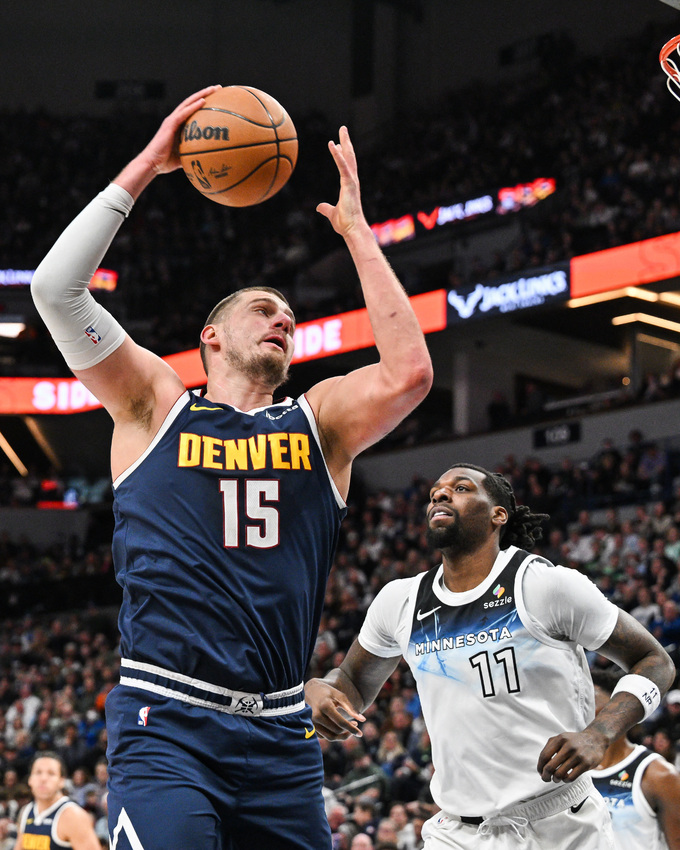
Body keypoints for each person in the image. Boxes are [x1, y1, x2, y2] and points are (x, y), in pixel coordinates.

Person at [30, 87, 432, 850]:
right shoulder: (155, 406)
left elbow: (409, 373)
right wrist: (149, 164)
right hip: (168, 721)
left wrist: (356, 233)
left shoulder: (319, 423)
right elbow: (55, 290)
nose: (283, 318)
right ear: (210, 337)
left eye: (289, 316)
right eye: (262, 308)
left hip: (282, 734)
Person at [305, 463, 676, 849]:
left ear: (499, 514)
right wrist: (321, 687)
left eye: (461, 488)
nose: (441, 494)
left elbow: (655, 661)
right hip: (457, 832)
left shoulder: (544, 586)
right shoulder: (400, 600)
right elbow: (350, 682)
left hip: (559, 823)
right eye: (435, 492)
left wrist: (599, 734)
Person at [590, 670, 680, 850]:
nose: (580, 709)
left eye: (589, 701)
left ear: (619, 709)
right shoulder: (562, 769)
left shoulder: (659, 774)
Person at [14, 752, 100, 850]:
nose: (43, 778)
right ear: (30, 779)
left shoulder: (73, 816)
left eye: (51, 773)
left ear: (61, 781)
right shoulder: (26, 812)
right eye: (38, 772)